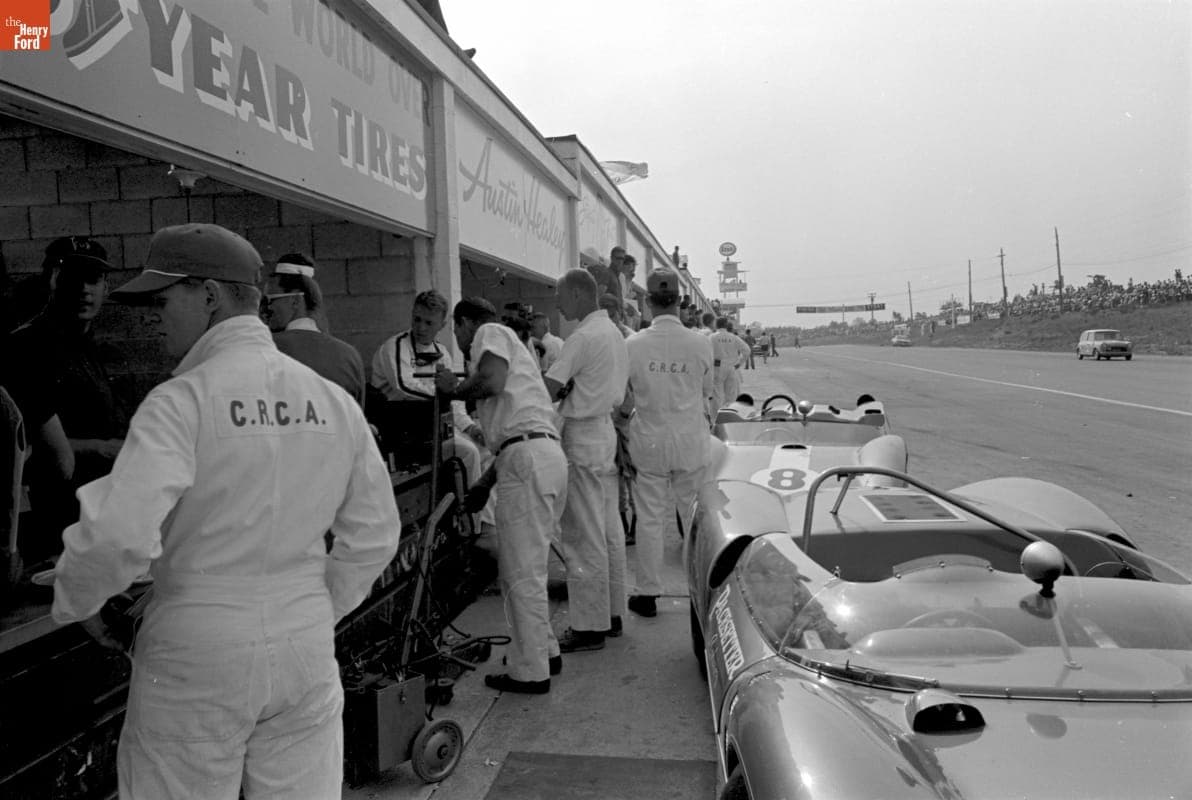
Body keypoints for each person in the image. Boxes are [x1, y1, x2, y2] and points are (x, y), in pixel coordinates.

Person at [51, 223, 401, 798]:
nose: (153, 317)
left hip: (195, 653)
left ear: (208, 295)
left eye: (163, 300)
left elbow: (116, 536)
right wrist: (313, 607)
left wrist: (82, 602)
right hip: (303, 647)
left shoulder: (182, 401)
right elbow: (375, 535)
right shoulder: (330, 401)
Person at [435, 297, 566, 694]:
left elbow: (490, 381)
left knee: (520, 574)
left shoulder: (489, 333)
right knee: (531, 566)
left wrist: (453, 388)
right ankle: (545, 650)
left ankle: (529, 671)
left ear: (464, 323)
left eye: (456, 332)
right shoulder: (517, 347)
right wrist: (486, 483)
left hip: (528, 459)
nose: (459, 342)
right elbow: (516, 431)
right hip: (541, 455)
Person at [0, 236, 129, 564]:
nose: (85, 289)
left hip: (100, 514)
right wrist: (101, 447)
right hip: (56, 525)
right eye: (74, 277)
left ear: (105, 286)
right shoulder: (27, 347)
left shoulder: (89, 344)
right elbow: (31, 451)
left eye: (94, 279)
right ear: (53, 279)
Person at [544, 269, 629, 653]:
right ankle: (611, 614)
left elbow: (548, 389)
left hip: (581, 434)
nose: (558, 305)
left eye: (561, 296)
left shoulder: (580, 338)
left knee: (583, 534)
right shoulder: (613, 334)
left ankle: (588, 626)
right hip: (604, 432)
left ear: (579, 295)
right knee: (608, 529)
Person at [623, 268, 713, 618]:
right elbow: (706, 392)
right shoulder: (700, 342)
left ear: (648, 301)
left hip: (649, 440)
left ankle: (647, 593)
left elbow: (623, 395)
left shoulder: (633, 344)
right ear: (679, 301)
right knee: (692, 517)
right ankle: (697, 594)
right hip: (689, 438)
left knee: (648, 518)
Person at [370, 290, 489, 503]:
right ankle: (470, 518)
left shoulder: (443, 352)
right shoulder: (396, 346)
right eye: (417, 319)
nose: (421, 327)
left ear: (442, 325)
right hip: (398, 431)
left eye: (429, 322)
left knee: (484, 448)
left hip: (431, 429)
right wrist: (446, 393)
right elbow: (404, 386)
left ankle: (474, 519)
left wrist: (470, 427)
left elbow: (455, 403)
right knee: (469, 452)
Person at [262, 253, 365, 404]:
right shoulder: (349, 355)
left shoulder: (268, 348)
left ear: (295, 301)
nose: (267, 308)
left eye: (270, 300)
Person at [709, 317, 750, 411]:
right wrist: (739, 363)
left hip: (717, 368)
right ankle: (730, 417)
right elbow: (747, 351)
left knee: (717, 396)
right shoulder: (733, 337)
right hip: (732, 367)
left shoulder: (712, 337)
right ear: (726, 325)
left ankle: (717, 420)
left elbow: (705, 352)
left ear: (716, 325)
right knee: (731, 396)